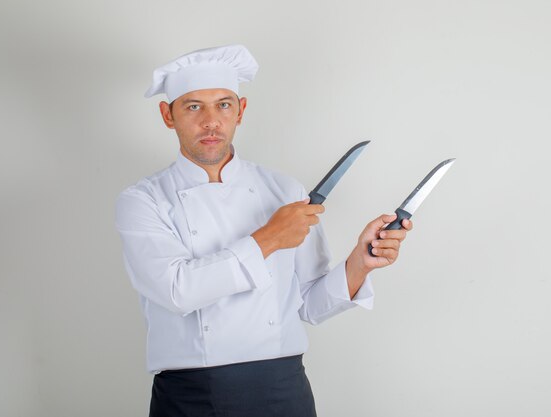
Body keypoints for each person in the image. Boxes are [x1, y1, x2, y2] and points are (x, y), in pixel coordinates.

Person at [115, 44, 412, 417]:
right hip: (194, 394)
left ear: (240, 111)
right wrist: (270, 236)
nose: (211, 121)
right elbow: (178, 291)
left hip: (284, 387)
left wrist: (359, 263)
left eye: (224, 104)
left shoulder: (285, 191)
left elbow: (309, 303)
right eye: (193, 106)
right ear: (167, 115)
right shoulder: (143, 200)